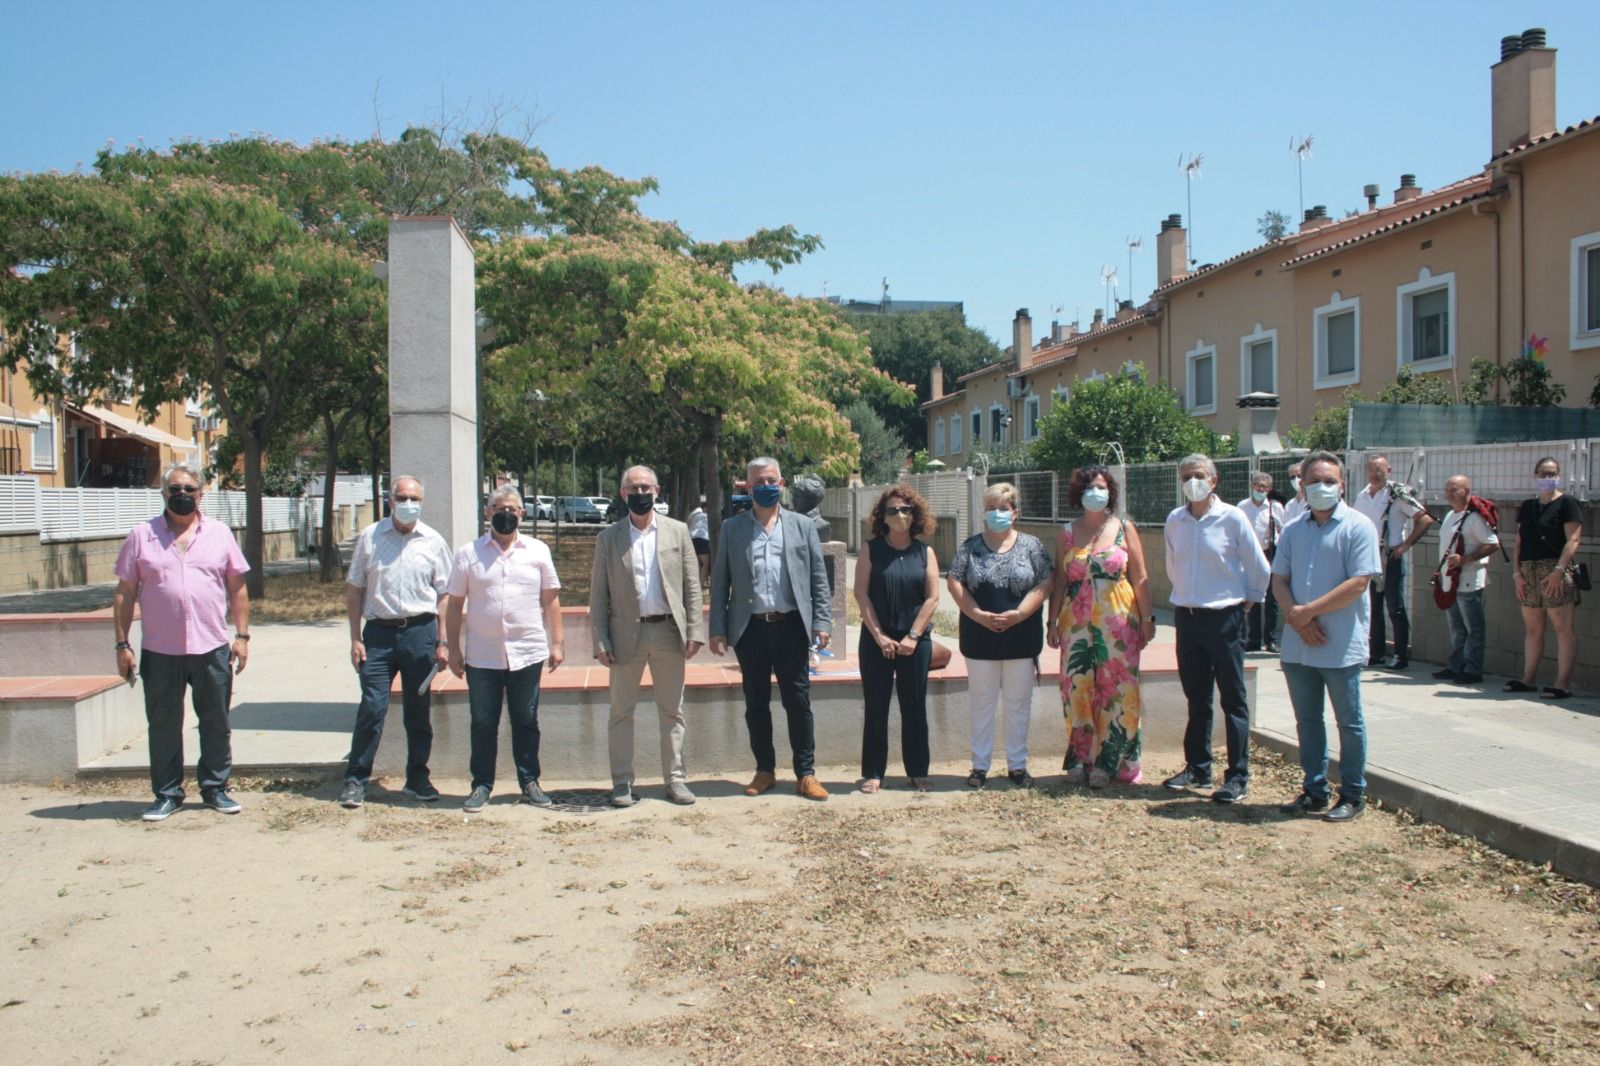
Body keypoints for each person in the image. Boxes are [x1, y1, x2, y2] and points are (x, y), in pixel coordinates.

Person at [112, 464, 250, 822]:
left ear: (201, 494)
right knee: (163, 724)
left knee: (216, 721)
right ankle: (167, 794)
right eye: (175, 489)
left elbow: (237, 588)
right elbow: (125, 593)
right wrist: (122, 644)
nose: (182, 495)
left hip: (212, 646)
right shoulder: (142, 535)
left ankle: (215, 788)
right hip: (161, 649)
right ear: (164, 493)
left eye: (190, 489)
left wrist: (242, 635)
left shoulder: (219, 534)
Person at [708, 458, 833, 800]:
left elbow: (818, 579)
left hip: (791, 626)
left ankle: (805, 774)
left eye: (771, 480)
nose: (765, 485)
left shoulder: (802, 526)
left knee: (798, 702)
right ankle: (765, 770)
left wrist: (822, 621)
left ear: (781, 484)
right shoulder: (733, 529)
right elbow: (721, 582)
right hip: (751, 629)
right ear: (748, 488)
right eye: (757, 481)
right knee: (756, 703)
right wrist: (717, 628)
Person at [1272, 451, 1381, 823]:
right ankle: (1314, 790)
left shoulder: (1358, 526)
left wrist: (1309, 612)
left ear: (1343, 484)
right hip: (1299, 644)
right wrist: (1299, 621)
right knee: (1308, 721)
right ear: (1302, 485)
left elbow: (1359, 582)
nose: (1322, 487)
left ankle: (1353, 793)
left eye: (1329, 481)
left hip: (1340, 644)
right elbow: (1279, 579)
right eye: (1314, 481)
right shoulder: (1293, 529)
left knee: (1348, 722)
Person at [590, 465, 706, 807]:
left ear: (657, 491)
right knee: (621, 712)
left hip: (669, 632)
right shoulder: (608, 538)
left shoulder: (677, 531)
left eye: (646, 487)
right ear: (623, 494)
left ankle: (676, 779)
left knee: (673, 711)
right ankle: (622, 782)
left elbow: (692, 587)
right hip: (626, 636)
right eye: (632, 488)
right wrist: (600, 641)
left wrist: (694, 630)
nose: (640, 493)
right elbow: (598, 595)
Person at [445, 487, 565, 812]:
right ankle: (481, 785)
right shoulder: (467, 554)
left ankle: (530, 782)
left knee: (525, 719)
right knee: (483, 722)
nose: (506, 513)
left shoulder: (538, 551)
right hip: (482, 657)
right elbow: (454, 605)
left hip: (527, 652)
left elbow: (550, 600)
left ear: (522, 514)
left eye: (513, 509)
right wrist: (453, 649)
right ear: (487, 512)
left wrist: (557, 642)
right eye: (499, 507)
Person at [337, 476, 454, 809]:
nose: (408, 503)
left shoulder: (433, 541)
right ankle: (355, 779)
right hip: (378, 636)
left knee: (418, 712)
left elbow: (445, 593)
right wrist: (354, 637)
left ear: (422, 502)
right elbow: (355, 588)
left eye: (414, 498)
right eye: (402, 497)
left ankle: (417, 777)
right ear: (390, 500)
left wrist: (443, 640)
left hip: (420, 634)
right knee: (372, 708)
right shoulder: (370, 538)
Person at [1162, 454, 1271, 804]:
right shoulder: (1175, 521)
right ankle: (1198, 767)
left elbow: (1258, 565)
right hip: (1187, 617)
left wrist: (1248, 602)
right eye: (1187, 476)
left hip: (1225, 618)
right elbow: (1172, 566)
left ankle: (1237, 776)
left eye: (1199, 475)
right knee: (1197, 697)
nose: (1193, 482)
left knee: (1233, 699)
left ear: (1213, 479)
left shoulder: (1232, 518)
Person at [1047, 466, 1153, 787]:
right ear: (1079, 493)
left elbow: (1140, 576)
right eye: (1090, 486)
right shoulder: (1066, 532)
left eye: (1102, 486)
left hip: (1119, 622)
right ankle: (1081, 757)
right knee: (1077, 687)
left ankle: (1113, 762)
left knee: (1118, 690)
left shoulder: (1124, 528)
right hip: (1075, 624)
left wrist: (1148, 620)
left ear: (1111, 491)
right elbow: (1061, 581)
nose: (1096, 492)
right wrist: (1051, 622)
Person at [946, 482, 1054, 789]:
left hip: (1021, 636)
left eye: (1003, 508)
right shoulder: (969, 547)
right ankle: (979, 766)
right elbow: (955, 582)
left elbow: (1046, 582)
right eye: (991, 508)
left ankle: (1018, 766)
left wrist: (1020, 614)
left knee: (1019, 703)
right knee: (982, 702)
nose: (997, 514)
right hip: (979, 637)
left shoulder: (1032, 546)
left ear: (1015, 513)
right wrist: (977, 615)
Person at [853, 486, 941, 793]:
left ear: (916, 515)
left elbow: (932, 597)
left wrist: (913, 636)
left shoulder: (925, 552)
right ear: (883, 516)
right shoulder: (870, 549)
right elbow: (861, 593)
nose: (900, 516)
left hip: (914, 643)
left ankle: (917, 770)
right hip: (877, 641)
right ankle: (874, 772)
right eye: (893, 511)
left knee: (914, 706)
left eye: (906, 510)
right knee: (876, 706)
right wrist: (879, 636)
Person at [1507, 456, 1583, 699]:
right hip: (1528, 571)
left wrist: (1559, 572)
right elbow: (1519, 542)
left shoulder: (1567, 503)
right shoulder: (1528, 506)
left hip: (1555, 570)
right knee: (1533, 629)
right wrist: (1517, 574)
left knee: (1563, 629)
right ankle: (1528, 679)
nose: (1547, 478)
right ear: (1535, 476)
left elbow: (1573, 539)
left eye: (1552, 474)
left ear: (1559, 476)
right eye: (1543, 473)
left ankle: (1562, 684)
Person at [1353, 454, 1434, 670]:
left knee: (1395, 606)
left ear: (1389, 471)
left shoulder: (1397, 494)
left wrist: (1405, 545)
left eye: (1380, 469)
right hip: (1369, 555)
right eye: (1371, 469)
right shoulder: (1362, 495)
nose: (1375, 474)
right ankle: (1376, 654)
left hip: (1390, 556)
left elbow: (1424, 518)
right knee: (1373, 607)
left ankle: (1400, 655)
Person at [1431, 475, 1501, 687]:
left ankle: (1472, 669)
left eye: (1455, 489)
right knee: (1457, 628)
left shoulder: (1474, 518)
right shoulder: (1451, 515)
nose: (1450, 493)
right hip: (1449, 581)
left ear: (1467, 491)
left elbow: (1492, 543)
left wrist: (1465, 559)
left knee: (1473, 629)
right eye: (1448, 489)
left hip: (1469, 580)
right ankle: (1456, 666)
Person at [1238, 470, 1286, 653]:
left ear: (1269, 489)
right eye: (1258, 486)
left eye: (1264, 487)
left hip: (1270, 554)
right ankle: (1254, 639)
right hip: (1250, 555)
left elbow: (1284, 529)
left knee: (1272, 600)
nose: (1261, 489)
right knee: (1253, 596)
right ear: (1252, 486)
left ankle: (1271, 640)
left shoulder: (1275, 507)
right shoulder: (1242, 506)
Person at [688, 495, 711, 588]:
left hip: (692, 539)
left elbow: (688, 523)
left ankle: (694, 586)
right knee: (706, 564)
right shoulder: (709, 517)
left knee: (697, 564)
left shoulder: (696, 515)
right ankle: (700, 587)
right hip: (703, 539)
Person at [1282, 461, 1308, 527]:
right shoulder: (1289, 505)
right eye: (1292, 477)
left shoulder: (1313, 502)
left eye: (1299, 476)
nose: (1296, 479)